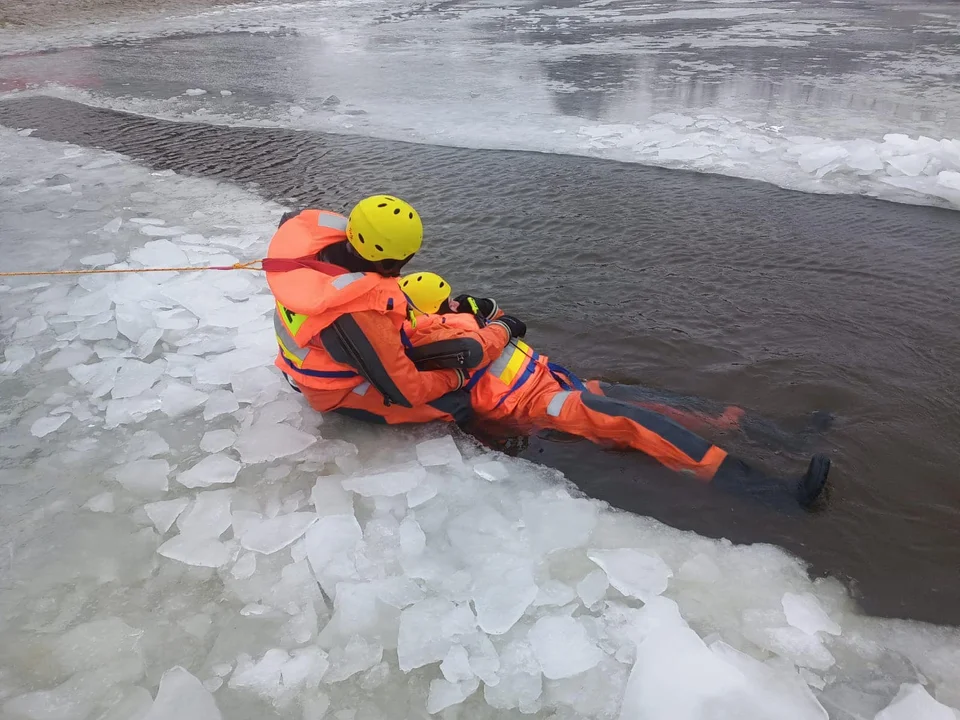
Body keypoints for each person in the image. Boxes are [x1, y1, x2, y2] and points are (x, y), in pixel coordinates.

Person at [398, 271, 831, 508]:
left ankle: (780, 434)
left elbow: (497, 332)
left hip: (559, 382)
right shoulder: (425, 342)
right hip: (538, 406)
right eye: (447, 302)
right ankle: (771, 492)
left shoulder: (455, 322)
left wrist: (486, 312)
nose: (454, 304)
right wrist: (490, 322)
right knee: (640, 423)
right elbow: (471, 353)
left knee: (672, 403)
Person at [262, 196, 522, 425]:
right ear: (390, 262)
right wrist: (454, 378)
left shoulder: (312, 251)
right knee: (457, 405)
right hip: (333, 390)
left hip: (309, 359)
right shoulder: (356, 315)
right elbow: (406, 391)